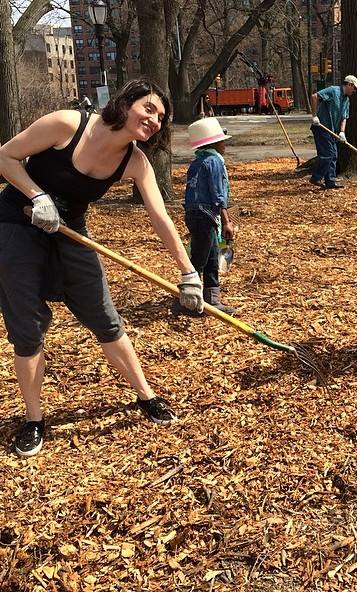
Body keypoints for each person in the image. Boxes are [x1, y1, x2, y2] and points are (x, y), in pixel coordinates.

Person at [0, 78, 204, 457]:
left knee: (105, 317)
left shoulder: (134, 161)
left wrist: (188, 272)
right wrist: (38, 195)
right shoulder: (67, 124)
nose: (154, 120)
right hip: (17, 223)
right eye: (148, 108)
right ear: (125, 103)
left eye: (160, 117)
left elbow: (160, 216)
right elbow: (5, 156)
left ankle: (146, 395)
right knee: (27, 328)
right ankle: (33, 420)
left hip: (70, 231)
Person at [179, 117, 237, 316]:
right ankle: (185, 301)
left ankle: (212, 300)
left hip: (194, 214)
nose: (224, 145)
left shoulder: (197, 162)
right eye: (222, 141)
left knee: (211, 257)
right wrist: (227, 221)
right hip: (206, 215)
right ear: (213, 143)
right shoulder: (215, 162)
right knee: (200, 259)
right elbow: (218, 195)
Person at [309, 75, 357, 189]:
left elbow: (344, 117)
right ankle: (316, 177)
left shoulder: (346, 100)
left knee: (334, 156)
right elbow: (314, 96)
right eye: (354, 88)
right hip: (321, 128)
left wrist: (342, 132)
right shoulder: (333, 91)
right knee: (327, 154)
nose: (355, 91)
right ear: (349, 85)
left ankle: (330, 182)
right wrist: (314, 116)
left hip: (333, 131)